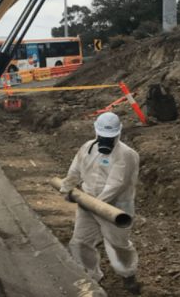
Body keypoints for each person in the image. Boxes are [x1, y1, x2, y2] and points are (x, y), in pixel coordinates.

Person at [60, 112, 141, 294]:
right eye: (103, 137)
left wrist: (94, 203)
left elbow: (116, 185)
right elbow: (75, 171)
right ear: (96, 132)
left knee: (117, 245)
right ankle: (90, 276)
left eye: (110, 138)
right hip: (88, 205)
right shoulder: (88, 148)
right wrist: (66, 188)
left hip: (116, 209)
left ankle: (128, 275)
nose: (106, 141)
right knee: (81, 241)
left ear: (118, 134)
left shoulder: (126, 154)